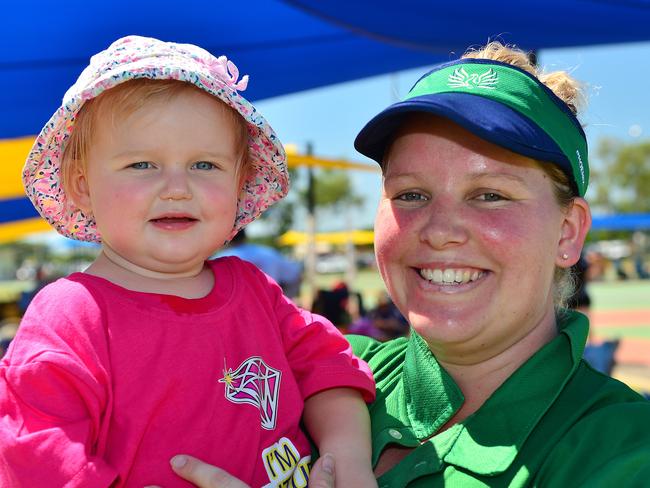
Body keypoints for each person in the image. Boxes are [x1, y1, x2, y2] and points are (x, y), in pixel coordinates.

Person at [169, 41, 650, 487]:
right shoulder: (318, 364)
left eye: (490, 195)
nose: (439, 230)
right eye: (411, 194)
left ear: (568, 232)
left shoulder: (621, 449)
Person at [0, 36, 377, 487]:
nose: (177, 187)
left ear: (241, 183)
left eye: (205, 165)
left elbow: (330, 369)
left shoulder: (255, 291)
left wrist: (346, 460)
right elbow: (36, 456)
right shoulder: (73, 317)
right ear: (82, 186)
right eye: (141, 165)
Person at [216, 228, 303, 298]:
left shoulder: (223, 257)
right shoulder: (263, 251)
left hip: (285, 283)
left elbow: (272, 287)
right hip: (291, 278)